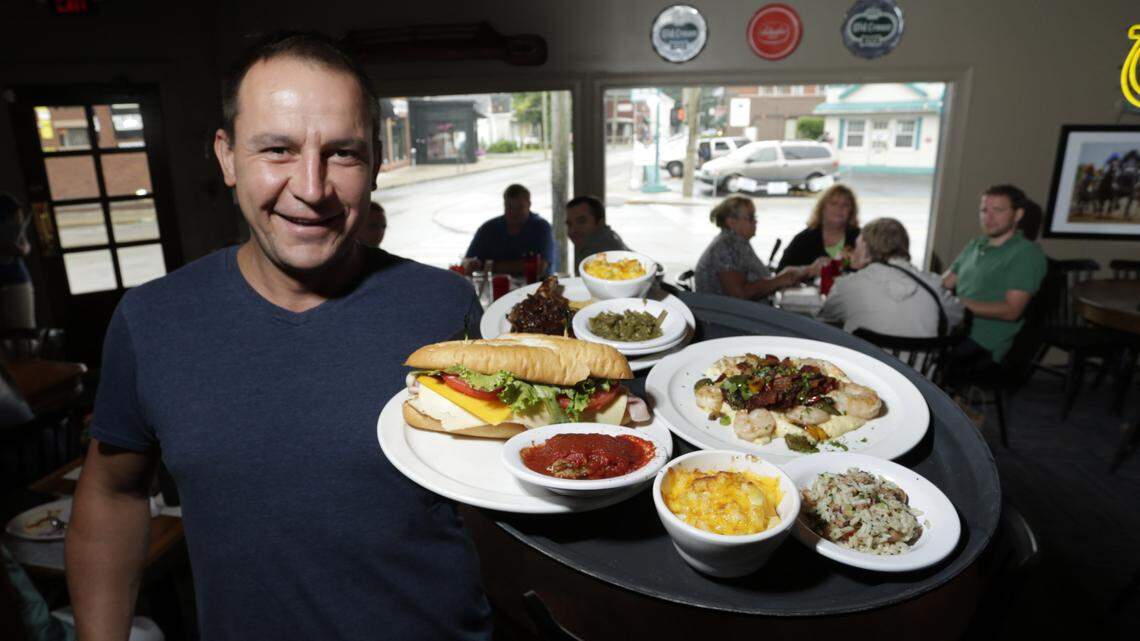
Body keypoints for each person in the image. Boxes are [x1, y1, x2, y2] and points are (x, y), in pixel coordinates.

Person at [65, 32, 491, 641]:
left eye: (343, 153)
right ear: (228, 156)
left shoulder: (443, 305)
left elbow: (501, 486)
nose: (312, 188)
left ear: (372, 164)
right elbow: (111, 494)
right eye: (277, 150)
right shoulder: (152, 321)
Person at [942, 184, 1047, 367]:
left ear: (1018, 215)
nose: (988, 218)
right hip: (955, 330)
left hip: (983, 343)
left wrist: (956, 304)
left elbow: (1011, 311)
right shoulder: (975, 245)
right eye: (984, 210)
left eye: (998, 210)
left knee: (913, 355)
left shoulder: (1026, 254)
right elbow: (944, 284)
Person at [819, 218, 964, 336]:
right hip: (916, 371)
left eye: (857, 246)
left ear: (865, 249)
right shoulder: (933, 284)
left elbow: (827, 313)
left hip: (865, 370)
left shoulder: (848, 286)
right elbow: (958, 316)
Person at [695, 196, 810, 300]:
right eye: (750, 217)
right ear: (731, 222)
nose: (755, 221)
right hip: (732, 318)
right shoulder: (726, 246)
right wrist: (779, 280)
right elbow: (739, 295)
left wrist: (781, 279)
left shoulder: (736, 242)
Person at [464, 184, 556, 276]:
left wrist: (492, 266)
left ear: (529, 204)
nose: (514, 212)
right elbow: (467, 262)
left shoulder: (541, 227)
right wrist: (472, 265)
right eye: (509, 207)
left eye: (519, 207)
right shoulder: (488, 229)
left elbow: (540, 267)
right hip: (496, 287)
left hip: (534, 287)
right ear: (504, 205)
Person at [777, 184, 861, 271]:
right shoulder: (803, 239)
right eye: (833, 203)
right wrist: (809, 270)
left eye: (846, 205)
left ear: (852, 211)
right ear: (822, 208)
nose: (839, 208)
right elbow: (780, 274)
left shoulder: (861, 239)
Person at [565, 195, 628, 272]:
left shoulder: (600, 253)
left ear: (600, 222)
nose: (572, 230)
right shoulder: (608, 237)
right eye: (569, 224)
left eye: (581, 221)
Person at [0, 192, 34, 332]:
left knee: (24, 335)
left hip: (13, 280)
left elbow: (22, 241)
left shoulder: (6, 203)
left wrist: (20, 249)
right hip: (13, 278)